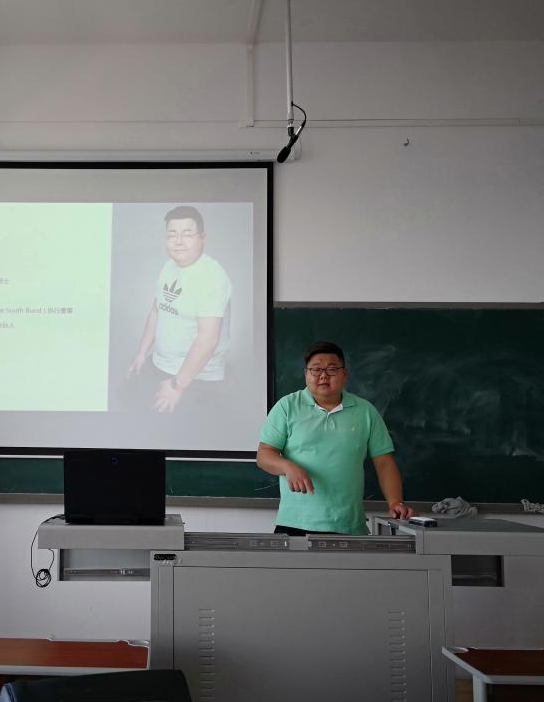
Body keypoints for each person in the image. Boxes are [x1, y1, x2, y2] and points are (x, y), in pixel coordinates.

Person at [256, 341, 415, 535]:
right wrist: (288, 467)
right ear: (306, 374)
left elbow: (384, 463)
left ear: (344, 374)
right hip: (296, 523)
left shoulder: (365, 411)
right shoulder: (287, 406)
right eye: (316, 369)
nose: (323, 375)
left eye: (332, 369)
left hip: (348, 525)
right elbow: (264, 455)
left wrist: (395, 502)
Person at [127, 205, 232, 412]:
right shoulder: (168, 267)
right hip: (161, 364)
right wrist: (141, 353)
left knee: (164, 425)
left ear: (202, 238)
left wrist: (177, 386)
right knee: (127, 398)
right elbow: (156, 311)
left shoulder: (212, 277)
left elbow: (208, 340)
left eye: (187, 234)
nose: (178, 241)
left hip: (196, 377)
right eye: (172, 234)